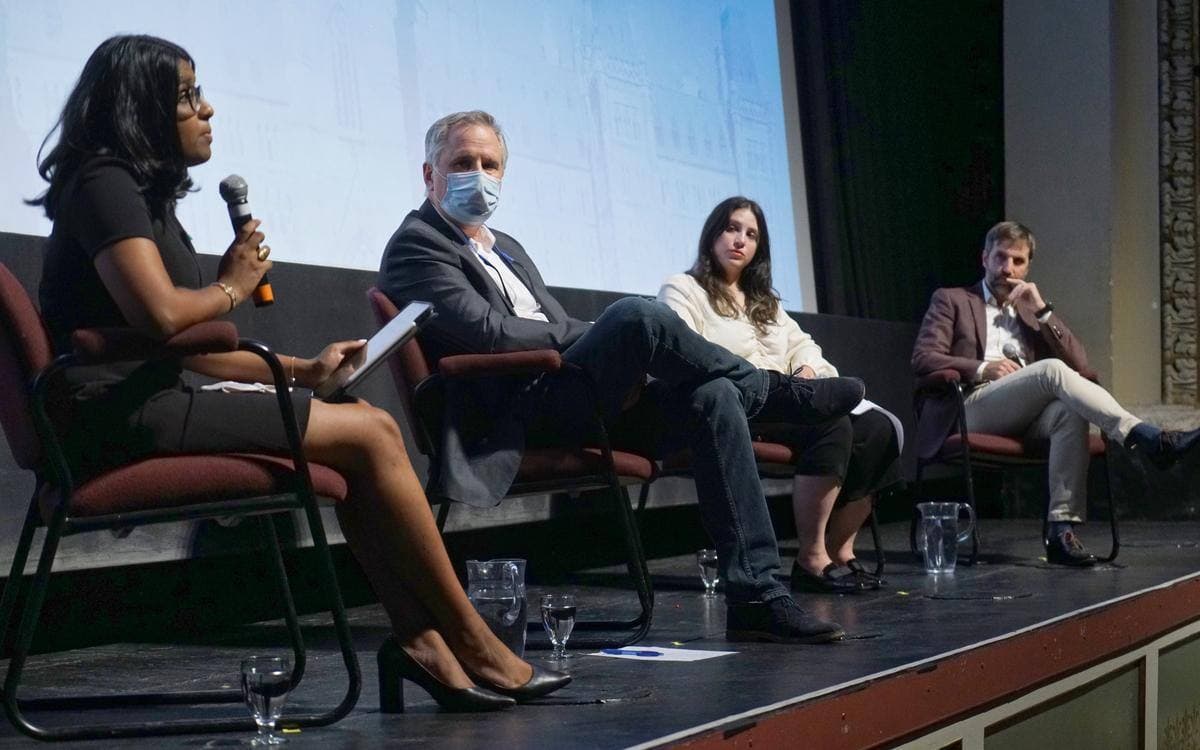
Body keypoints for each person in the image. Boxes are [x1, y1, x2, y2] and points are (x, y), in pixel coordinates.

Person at [31, 35, 568, 714]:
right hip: (114, 412)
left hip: (147, 396)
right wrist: (232, 286)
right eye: (188, 96)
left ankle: (423, 643)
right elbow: (164, 317)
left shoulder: (136, 194)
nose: (207, 109)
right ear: (139, 108)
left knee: (364, 437)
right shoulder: (103, 182)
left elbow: (184, 349)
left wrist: (304, 372)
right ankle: (471, 640)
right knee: (372, 433)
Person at [379, 110, 867, 644]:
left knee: (714, 395)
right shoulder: (417, 244)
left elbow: (550, 323)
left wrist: (596, 341)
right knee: (636, 316)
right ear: (429, 174)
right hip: (515, 413)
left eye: (489, 164)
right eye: (462, 163)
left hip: (571, 396)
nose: (479, 174)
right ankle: (769, 391)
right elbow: (490, 333)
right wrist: (598, 334)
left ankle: (757, 596)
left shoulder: (507, 248)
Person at [912, 220, 1200, 565]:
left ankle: (1061, 531)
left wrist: (1042, 310)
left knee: (1070, 410)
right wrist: (982, 367)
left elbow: (1079, 363)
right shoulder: (953, 299)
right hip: (970, 406)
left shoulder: (1029, 312)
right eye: (1000, 257)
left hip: (1023, 414)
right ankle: (1147, 437)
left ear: (1027, 267)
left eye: (1018, 261)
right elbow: (923, 357)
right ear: (985, 258)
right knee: (1051, 371)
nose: (1007, 268)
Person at [658, 197, 901, 594]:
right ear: (712, 234)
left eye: (751, 234)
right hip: (736, 404)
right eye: (732, 228)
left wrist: (808, 371)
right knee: (831, 423)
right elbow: (683, 351)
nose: (740, 240)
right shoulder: (684, 288)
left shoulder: (765, 302)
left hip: (787, 402)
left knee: (878, 429)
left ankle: (840, 550)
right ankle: (811, 558)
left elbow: (804, 346)